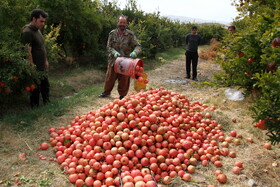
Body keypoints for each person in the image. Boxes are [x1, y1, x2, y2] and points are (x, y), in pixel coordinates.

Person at [99, 15, 141, 99]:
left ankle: (122, 95)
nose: (122, 24)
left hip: (126, 61)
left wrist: (135, 52)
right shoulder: (112, 33)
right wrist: (114, 52)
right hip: (113, 60)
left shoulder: (130, 34)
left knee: (124, 79)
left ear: (126, 24)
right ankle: (106, 92)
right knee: (110, 77)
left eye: (124, 23)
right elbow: (108, 47)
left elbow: (138, 46)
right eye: (121, 22)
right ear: (117, 23)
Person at [21, 9, 50, 108]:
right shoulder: (27, 32)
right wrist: (31, 65)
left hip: (42, 65)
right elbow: (27, 50)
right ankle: (35, 108)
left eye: (44, 22)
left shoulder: (37, 31)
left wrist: (45, 60)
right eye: (41, 21)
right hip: (35, 66)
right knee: (35, 89)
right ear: (34, 19)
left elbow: (41, 47)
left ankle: (47, 104)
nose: (43, 24)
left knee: (45, 86)